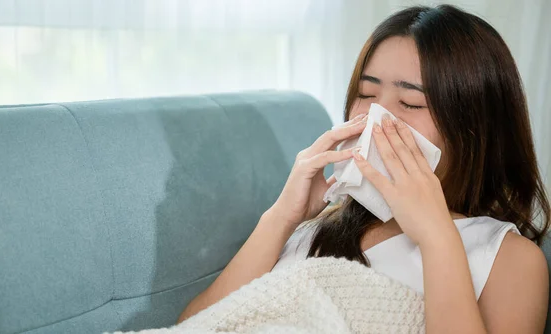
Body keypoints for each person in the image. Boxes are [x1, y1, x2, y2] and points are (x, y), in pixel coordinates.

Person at [178, 4, 550, 332]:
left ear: (476, 129)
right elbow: (195, 326)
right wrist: (281, 217)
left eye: (411, 102)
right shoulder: (317, 228)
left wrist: (437, 237)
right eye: (367, 95)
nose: (376, 116)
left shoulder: (507, 258)